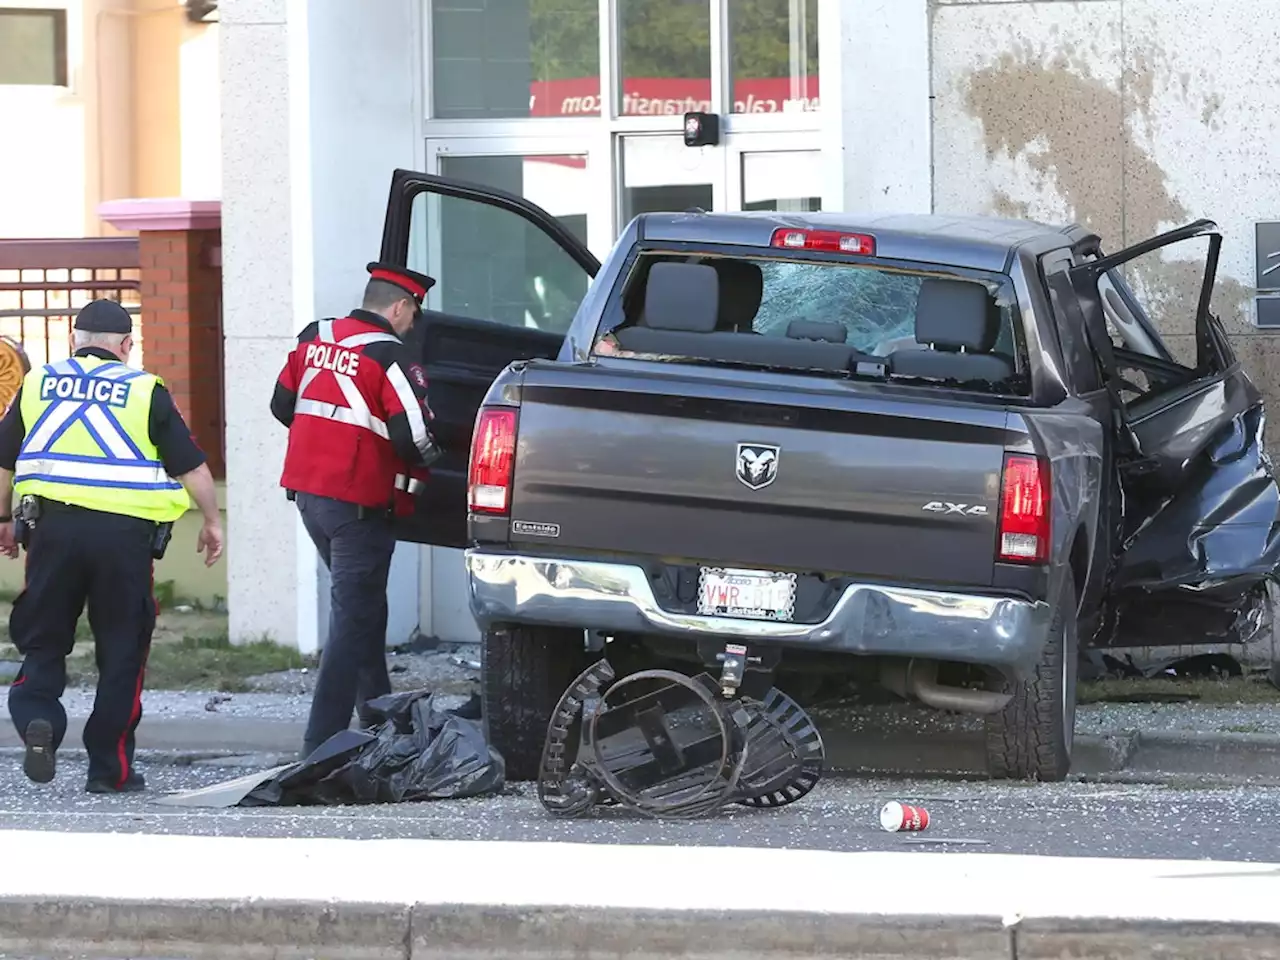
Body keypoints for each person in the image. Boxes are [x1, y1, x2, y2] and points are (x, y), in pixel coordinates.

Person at [0, 299, 224, 791]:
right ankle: (111, 771)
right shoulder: (144, 390)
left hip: (52, 534)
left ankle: (40, 716)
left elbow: (4, 460)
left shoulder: (38, 382)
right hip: (124, 541)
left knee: (43, 639)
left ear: (73, 343)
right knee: (123, 650)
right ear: (127, 346)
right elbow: (191, 466)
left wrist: (4, 520)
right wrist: (211, 520)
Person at [270, 262, 443, 758]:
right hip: (358, 503)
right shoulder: (391, 356)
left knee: (363, 604)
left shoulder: (313, 338)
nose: (413, 326)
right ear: (399, 307)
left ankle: (377, 711)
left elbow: (283, 405)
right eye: (413, 314)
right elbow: (416, 436)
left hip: (309, 497)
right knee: (351, 616)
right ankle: (320, 741)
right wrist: (438, 464)